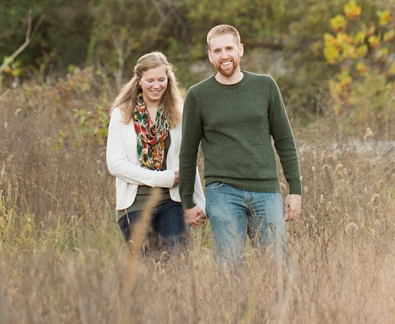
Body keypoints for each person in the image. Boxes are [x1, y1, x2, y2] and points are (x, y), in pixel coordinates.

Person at [178, 24, 302, 266]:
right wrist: (188, 201)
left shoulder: (265, 86)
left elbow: (285, 141)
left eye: (229, 48)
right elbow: (188, 153)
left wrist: (294, 190)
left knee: (277, 266)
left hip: (266, 190)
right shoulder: (198, 95)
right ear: (210, 55)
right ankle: (232, 305)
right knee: (228, 267)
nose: (224, 55)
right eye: (217, 50)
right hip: (222, 192)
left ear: (240, 50)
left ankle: (279, 305)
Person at [107, 51, 206, 254]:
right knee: (147, 269)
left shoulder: (179, 112)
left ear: (168, 80)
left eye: (162, 80)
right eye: (150, 80)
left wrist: (198, 203)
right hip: (135, 203)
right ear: (139, 81)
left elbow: (187, 159)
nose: (156, 85)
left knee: (177, 264)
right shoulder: (122, 113)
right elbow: (115, 164)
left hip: (173, 200)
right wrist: (162, 178)